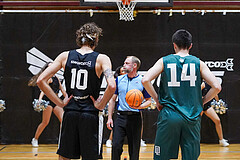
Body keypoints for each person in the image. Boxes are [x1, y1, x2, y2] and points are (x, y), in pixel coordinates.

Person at [37, 22, 116, 160]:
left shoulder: (65, 56)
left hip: (70, 112)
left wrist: (60, 103)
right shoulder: (102, 58)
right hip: (90, 114)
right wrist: (101, 104)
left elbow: (40, 81)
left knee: (64, 156)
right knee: (91, 156)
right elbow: (112, 86)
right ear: (96, 39)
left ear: (79, 38)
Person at [142, 29, 221, 160]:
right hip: (192, 116)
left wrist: (157, 100)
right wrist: (202, 102)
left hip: (169, 115)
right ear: (190, 45)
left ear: (174, 45)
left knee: (161, 156)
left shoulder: (164, 61)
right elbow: (217, 86)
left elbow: (145, 80)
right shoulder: (199, 63)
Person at [107, 56, 152, 160]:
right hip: (120, 117)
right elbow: (112, 99)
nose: (124, 65)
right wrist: (109, 117)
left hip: (135, 118)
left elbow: (149, 101)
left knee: (134, 150)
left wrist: (140, 106)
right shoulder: (119, 79)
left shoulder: (142, 81)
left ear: (134, 66)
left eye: (127, 63)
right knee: (116, 146)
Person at [28, 62, 67, 147]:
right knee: (45, 122)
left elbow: (62, 90)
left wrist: (69, 99)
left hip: (56, 102)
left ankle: (63, 140)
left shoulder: (56, 77)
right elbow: (43, 91)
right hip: (48, 102)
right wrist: (39, 101)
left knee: (64, 121)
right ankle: (35, 139)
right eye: (50, 67)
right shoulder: (47, 78)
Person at [201, 81, 229, 147]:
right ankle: (193, 140)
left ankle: (221, 140)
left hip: (207, 105)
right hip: (199, 105)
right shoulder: (202, 84)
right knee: (196, 123)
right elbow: (195, 93)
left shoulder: (211, 85)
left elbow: (215, 95)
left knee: (217, 120)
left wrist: (218, 102)